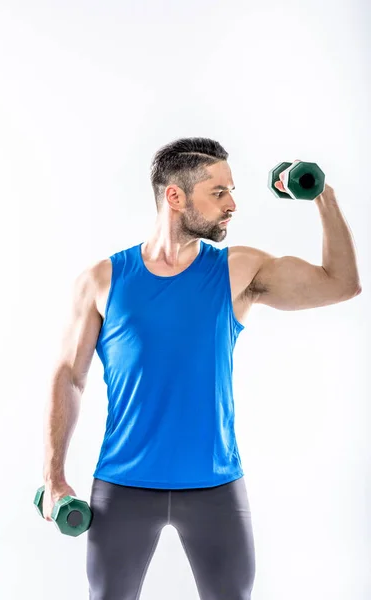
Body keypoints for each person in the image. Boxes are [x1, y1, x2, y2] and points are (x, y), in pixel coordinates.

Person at [42, 137, 362, 599]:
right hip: (123, 486)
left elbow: (342, 285)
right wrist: (54, 478)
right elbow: (69, 377)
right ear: (175, 197)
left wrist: (322, 195)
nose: (232, 204)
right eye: (219, 193)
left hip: (216, 487)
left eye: (231, 191)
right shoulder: (102, 281)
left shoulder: (239, 271)